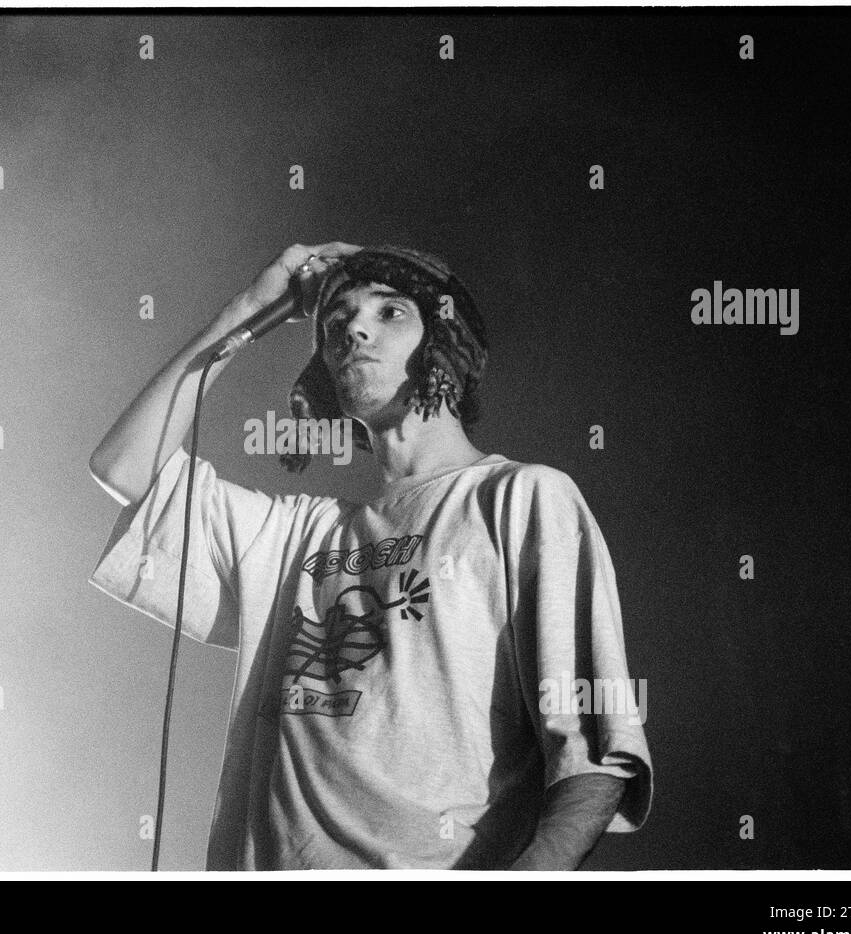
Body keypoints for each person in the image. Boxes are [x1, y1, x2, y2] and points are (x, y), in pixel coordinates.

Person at [88, 242, 653, 869]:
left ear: (446, 343)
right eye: (336, 322)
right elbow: (124, 467)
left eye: (390, 312)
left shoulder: (520, 497)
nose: (354, 328)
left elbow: (593, 754)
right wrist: (254, 307)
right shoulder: (296, 535)